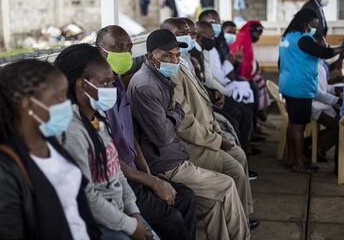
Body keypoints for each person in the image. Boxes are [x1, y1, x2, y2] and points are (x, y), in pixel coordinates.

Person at [127, 29, 250, 240]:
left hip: (176, 155)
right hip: (167, 165)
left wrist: (173, 114)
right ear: (150, 56)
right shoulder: (146, 85)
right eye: (167, 56)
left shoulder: (161, 76)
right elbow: (164, 135)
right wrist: (175, 112)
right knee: (227, 185)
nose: (173, 60)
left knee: (214, 204)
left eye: (175, 55)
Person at [0, 59, 99, 239]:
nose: (66, 102)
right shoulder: (0, 170)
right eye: (59, 96)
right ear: (28, 104)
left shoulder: (49, 141)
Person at [96, 25, 196, 240]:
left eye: (129, 48)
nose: (125, 54)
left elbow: (130, 137)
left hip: (137, 171)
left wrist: (149, 175)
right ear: (100, 49)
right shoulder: (99, 94)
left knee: (186, 196)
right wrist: (151, 182)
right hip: (121, 178)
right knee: (171, 218)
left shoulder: (118, 85)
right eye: (118, 48)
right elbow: (109, 153)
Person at [161, 18, 258, 229]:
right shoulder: (171, 70)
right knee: (231, 175)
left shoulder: (184, 60)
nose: (189, 38)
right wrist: (216, 140)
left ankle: (243, 215)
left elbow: (201, 99)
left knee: (238, 157)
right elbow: (184, 121)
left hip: (206, 131)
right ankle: (237, 223)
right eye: (181, 34)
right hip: (192, 145)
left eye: (190, 33)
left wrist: (217, 132)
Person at [55, 44, 156, 240]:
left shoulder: (97, 118)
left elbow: (115, 169)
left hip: (119, 214)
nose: (112, 89)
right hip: (97, 224)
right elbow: (87, 195)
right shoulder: (72, 130)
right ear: (82, 85)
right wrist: (129, 226)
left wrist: (133, 211)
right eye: (106, 83)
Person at [279, 8, 344, 173]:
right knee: (299, 127)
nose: (314, 29)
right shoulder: (303, 39)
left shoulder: (287, 37)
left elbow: (281, 62)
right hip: (300, 88)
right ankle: (299, 163)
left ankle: (291, 158)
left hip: (289, 85)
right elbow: (324, 52)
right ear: (306, 23)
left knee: (293, 124)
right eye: (313, 25)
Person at [193, 21, 254, 154]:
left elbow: (209, 79)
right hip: (206, 98)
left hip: (214, 92)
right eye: (210, 37)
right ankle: (239, 153)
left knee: (244, 111)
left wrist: (220, 92)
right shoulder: (191, 55)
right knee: (234, 116)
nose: (213, 40)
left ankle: (243, 152)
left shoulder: (207, 50)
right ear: (197, 36)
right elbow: (209, 80)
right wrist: (224, 92)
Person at [229, 20, 271, 119]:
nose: (257, 36)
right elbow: (245, 62)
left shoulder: (243, 35)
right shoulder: (244, 37)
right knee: (256, 86)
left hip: (240, 72)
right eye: (256, 33)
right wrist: (246, 76)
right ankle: (259, 114)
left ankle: (260, 113)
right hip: (239, 74)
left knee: (261, 81)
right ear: (250, 30)